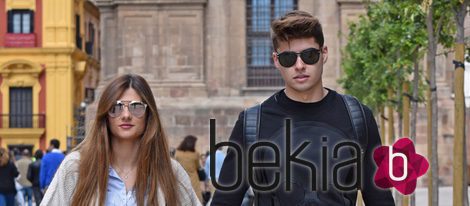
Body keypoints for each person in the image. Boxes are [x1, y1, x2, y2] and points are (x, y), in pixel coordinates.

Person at [211, 10, 394, 205]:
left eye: (309, 55)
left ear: (324, 54)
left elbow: (380, 199)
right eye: (288, 58)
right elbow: (224, 201)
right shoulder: (252, 123)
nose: (299, 65)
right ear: (276, 61)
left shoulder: (358, 118)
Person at [41, 74, 201, 206]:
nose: (126, 115)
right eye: (115, 107)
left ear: (148, 115)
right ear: (105, 115)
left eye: (136, 107)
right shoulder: (76, 167)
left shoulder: (170, 172)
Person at [175, 135, 204, 204]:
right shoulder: (195, 154)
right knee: (196, 199)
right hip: (194, 179)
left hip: (180, 178)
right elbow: (198, 166)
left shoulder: (178, 153)